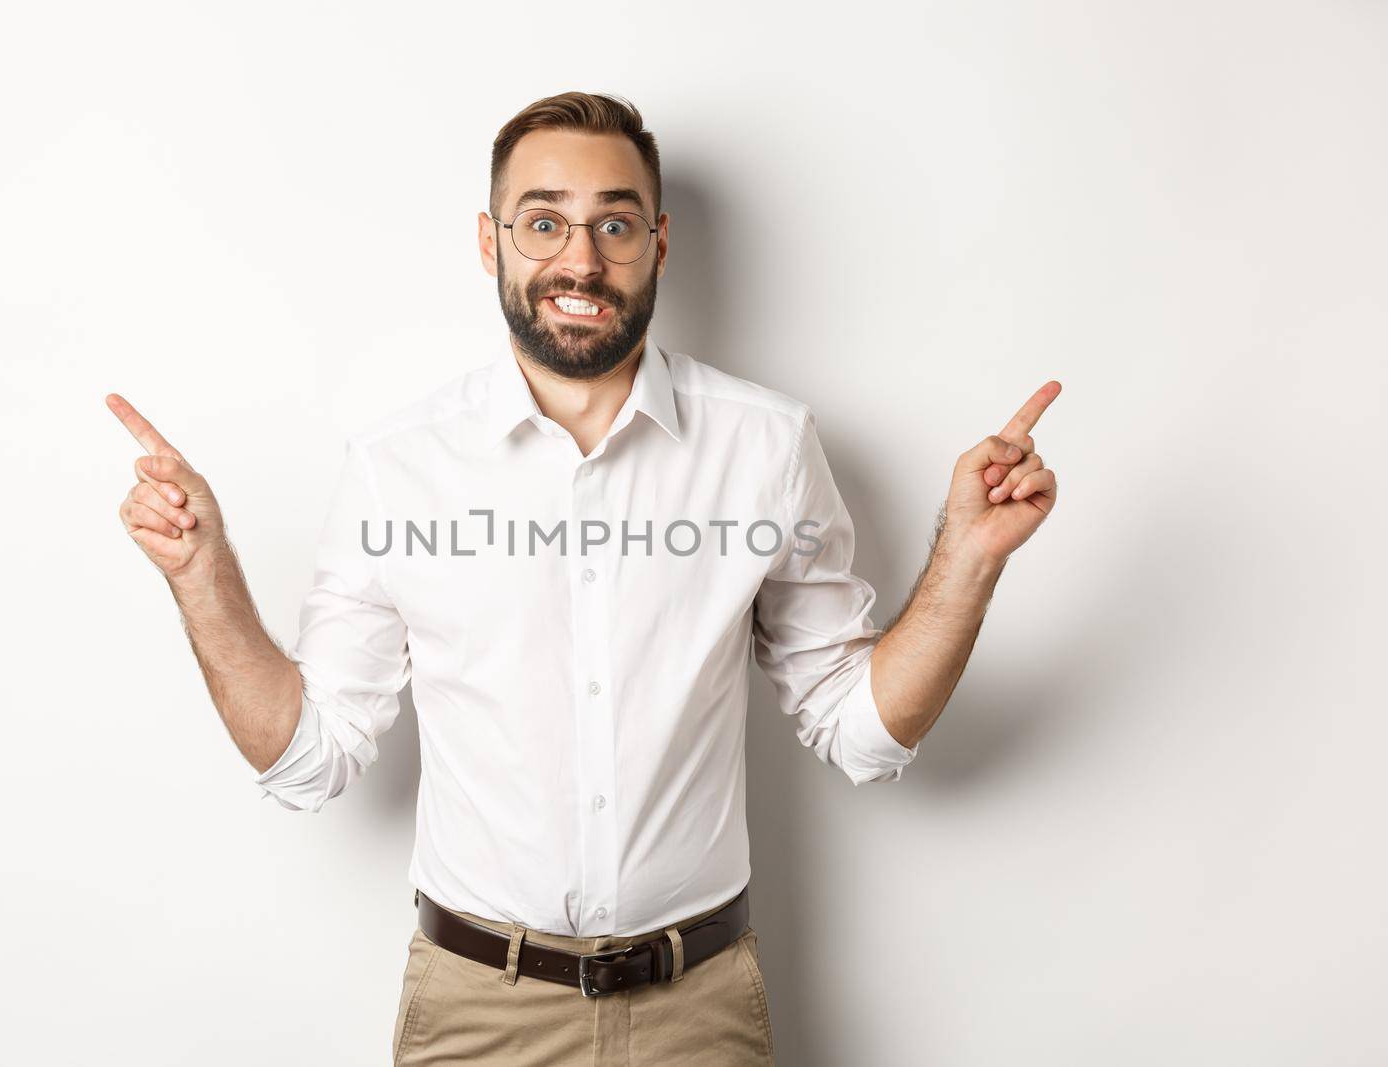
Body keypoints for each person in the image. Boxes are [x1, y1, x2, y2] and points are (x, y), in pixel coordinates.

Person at [106, 91, 1060, 1066]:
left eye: (612, 222)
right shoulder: (399, 465)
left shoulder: (768, 446)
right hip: (479, 1013)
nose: (579, 259)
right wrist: (201, 573)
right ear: (491, 242)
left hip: (701, 1009)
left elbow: (859, 730)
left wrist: (967, 559)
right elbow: (309, 754)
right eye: (543, 222)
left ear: (658, 241)